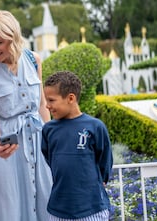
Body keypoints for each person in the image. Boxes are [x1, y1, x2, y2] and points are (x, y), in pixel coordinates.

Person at [0, 10, 52, 221]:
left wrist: (53, 140)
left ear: (13, 38)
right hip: (6, 150)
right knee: (9, 209)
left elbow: (42, 105)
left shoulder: (34, 60)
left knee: (46, 199)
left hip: (38, 143)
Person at [41, 71, 113, 220]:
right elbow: (50, 159)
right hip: (58, 211)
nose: (47, 106)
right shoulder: (48, 130)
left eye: (51, 100)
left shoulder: (95, 126)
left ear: (71, 98)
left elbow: (104, 161)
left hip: (92, 210)